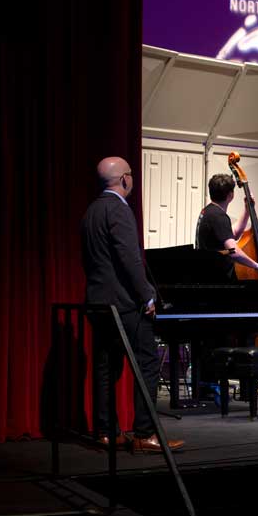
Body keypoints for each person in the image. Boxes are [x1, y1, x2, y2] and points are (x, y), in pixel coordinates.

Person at [80, 157, 184, 453]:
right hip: (123, 304)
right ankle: (144, 433)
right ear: (125, 179)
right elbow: (130, 259)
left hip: (97, 301)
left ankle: (106, 432)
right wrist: (147, 296)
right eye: (131, 175)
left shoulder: (91, 211)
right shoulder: (118, 210)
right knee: (148, 362)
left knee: (105, 366)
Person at [195, 173, 258, 278]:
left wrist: (247, 209)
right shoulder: (219, 217)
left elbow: (232, 234)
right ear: (231, 195)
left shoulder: (208, 211)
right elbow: (233, 251)